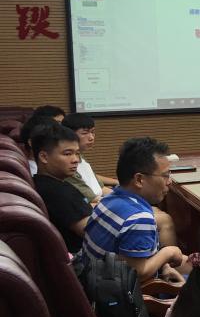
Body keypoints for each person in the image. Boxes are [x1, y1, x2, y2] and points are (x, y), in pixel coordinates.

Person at [80, 137, 184, 282]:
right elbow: (138, 273)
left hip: (93, 279)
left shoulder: (108, 199)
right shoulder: (139, 218)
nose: (169, 182)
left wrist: (164, 265)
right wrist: (169, 252)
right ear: (139, 180)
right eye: (165, 175)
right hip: (120, 292)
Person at [30, 123, 91, 253]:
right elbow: (95, 233)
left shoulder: (46, 183)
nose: (75, 160)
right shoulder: (56, 192)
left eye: (77, 153)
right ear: (44, 157)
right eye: (67, 154)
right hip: (87, 259)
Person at [62, 112, 117, 202]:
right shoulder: (69, 165)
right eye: (85, 133)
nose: (91, 137)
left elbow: (101, 188)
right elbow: (92, 199)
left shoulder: (81, 157)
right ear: (70, 134)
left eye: (93, 132)